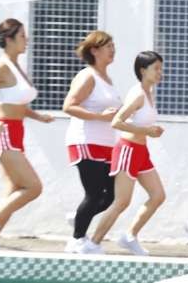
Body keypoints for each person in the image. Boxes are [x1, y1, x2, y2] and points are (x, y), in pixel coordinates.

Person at [0, 18, 53, 250]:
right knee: (33, 187)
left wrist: (39, 117)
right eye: (22, 37)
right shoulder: (2, 66)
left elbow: (17, 105)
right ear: (9, 40)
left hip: (16, 133)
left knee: (13, 189)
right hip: (4, 132)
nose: (26, 40)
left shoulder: (16, 66)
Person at [78, 51, 166, 255]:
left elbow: (139, 123)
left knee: (158, 195)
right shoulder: (137, 94)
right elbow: (117, 121)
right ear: (143, 70)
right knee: (121, 201)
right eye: (156, 69)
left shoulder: (149, 93)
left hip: (141, 151)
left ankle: (129, 236)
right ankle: (93, 243)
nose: (160, 72)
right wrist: (147, 131)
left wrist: (150, 132)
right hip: (128, 150)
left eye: (161, 68)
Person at [63, 31, 121, 253]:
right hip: (86, 141)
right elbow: (69, 106)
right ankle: (77, 239)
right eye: (108, 46)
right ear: (94, 50)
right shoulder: (88, 76)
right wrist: (101, 117)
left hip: (105, 144)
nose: (112, 49)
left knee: (111, 196)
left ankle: (80, 217)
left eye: (113, 45)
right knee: (95, 193)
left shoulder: (107, 79)